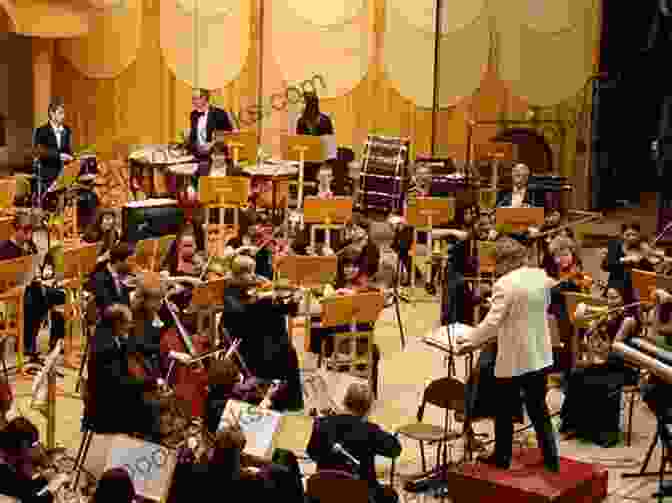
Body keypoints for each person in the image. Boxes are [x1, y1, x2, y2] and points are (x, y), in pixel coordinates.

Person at [456, 236, 560, 472]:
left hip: (515, 356)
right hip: (540, 353)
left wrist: (470, 340)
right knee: (538, 408)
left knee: (503, 408)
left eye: (496, 263)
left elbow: (492, 324)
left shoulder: (504, 284)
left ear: (505, 261)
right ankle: (551, 458)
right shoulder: (539, 276)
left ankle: (502, 457)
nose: (495, 268)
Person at [559, 284, 640, 446]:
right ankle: (576, 427)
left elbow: (614, 350)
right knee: (576, 375)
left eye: (615, 298)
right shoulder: (607, 316)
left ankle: (604, 434)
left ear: (625, 299)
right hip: (606, 362)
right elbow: (593, 348)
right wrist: (588, 327)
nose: (610, 302)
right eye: (608, 298)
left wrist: (600, 330)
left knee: (601, 382)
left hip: (623, 366)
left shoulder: (628, 320)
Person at [306, 383, 401, 503]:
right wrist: (369, 425)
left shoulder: (322, 424)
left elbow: (312, 453)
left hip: (323, 493)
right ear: (368, 409)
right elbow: (395, 449)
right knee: (390, 495)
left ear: (344, 401)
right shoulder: (370, 430)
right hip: (360, 495)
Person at [86, 304, 163, 441]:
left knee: (150, 406)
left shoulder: (109, 336)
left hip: (109, 395)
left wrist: (161, 350)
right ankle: (142, 449)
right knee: (152, 411)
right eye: (128, 323)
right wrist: (150, 383)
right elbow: (120, 384)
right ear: (117, 323)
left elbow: (131, 346)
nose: (130, 326)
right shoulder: (106, 347)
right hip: (106, 407)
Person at [0, 216, 65, 364]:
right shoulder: (4, 249)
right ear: (15, 230)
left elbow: (36, 267)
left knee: (61, 296)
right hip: (12, 290)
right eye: (25, 231)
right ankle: (27, 344)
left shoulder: (30, 245)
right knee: (36, 300)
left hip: (31, 285)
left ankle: (55, 340)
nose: (28, 235)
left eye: (31, 232)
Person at [0, 418, 53, 502]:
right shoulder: (5, 471)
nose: (38, 448)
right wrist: (51, 485)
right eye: (33, 444)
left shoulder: (14, 462)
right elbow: (37, 498)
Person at [32, 99, 73, 204]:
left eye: (64, 113)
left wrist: (71, 157)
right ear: (51, 113)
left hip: (63, 174)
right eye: (60, 113)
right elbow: (39, 152)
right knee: (49, 206)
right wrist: (59, 156)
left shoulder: (67, 130)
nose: (63, 116)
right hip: (47, 174)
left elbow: (67, 149)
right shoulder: (41, 131)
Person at [189, 88, 233, 178]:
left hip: (215, 158)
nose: (193, 101)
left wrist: (211, 144)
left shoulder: (220, 113)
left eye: (195, 98)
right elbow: (193, 137)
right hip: (198, 156)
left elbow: (228, 135)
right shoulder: (193, 114)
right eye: (192, 98)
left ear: (204, 98)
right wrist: (192, 143)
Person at [296, 92, 336, 187]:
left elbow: (330, 146)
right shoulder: (301, 122)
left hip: (322, 159)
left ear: (310, 104)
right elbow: (299, 142)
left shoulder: (325, 120)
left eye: (303, 102)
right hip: (306, 158)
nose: (301, 105)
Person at [86, 242, 134, 314]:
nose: (133, 264)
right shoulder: (99, 279)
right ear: (118, 261)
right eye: (130, 261)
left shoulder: (123, 274)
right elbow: (107, 308)